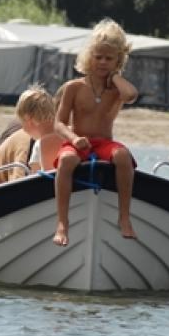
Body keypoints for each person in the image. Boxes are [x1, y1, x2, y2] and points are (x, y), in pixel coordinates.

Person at [53, 18, 138, 246]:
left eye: (109, 58)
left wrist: (116, 76)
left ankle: (124, 217)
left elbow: (131, 95)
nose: (102, 62)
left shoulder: (116, 90)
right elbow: (58, 123)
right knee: (67, 160)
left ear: (118, 60)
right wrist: (73, 138)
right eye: (98, 56)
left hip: (104, 143)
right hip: (78, 141)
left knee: (122, 156)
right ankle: (62, 223)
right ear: (89, 56)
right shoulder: (74, 87)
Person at [18, 84, 65, 173]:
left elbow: (34, 179)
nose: (23, 129)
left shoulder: (39, 144)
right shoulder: (70, 134)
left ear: (28, 119)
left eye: (22, 122)